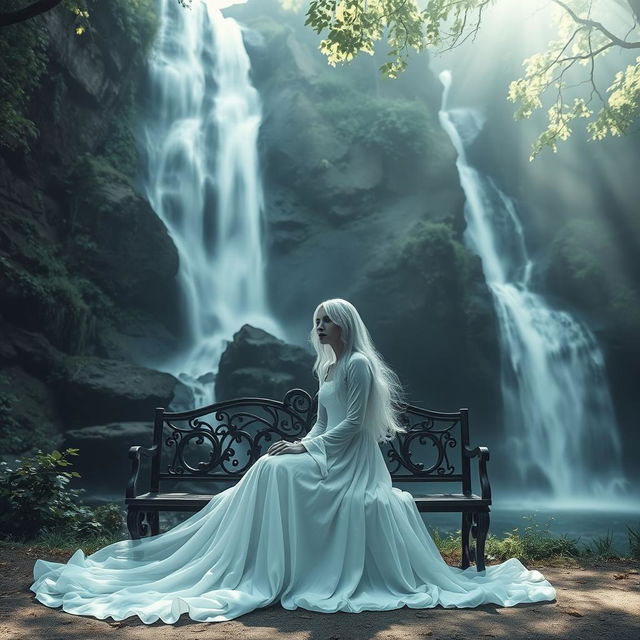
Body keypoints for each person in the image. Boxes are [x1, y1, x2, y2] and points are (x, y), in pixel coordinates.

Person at [30, 298, 556, 624]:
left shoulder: (358, 368)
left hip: (353, 468)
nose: (320, 326)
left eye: (328, 321)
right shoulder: (327, 369)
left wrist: (304, 448)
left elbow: (351, 427)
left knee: (275, 468)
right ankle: (259, 564)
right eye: (317, 321)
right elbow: (323, 424)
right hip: (329, 456)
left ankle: (267, 567)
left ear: (346, 325)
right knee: (268, 465)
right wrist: (300, 441)